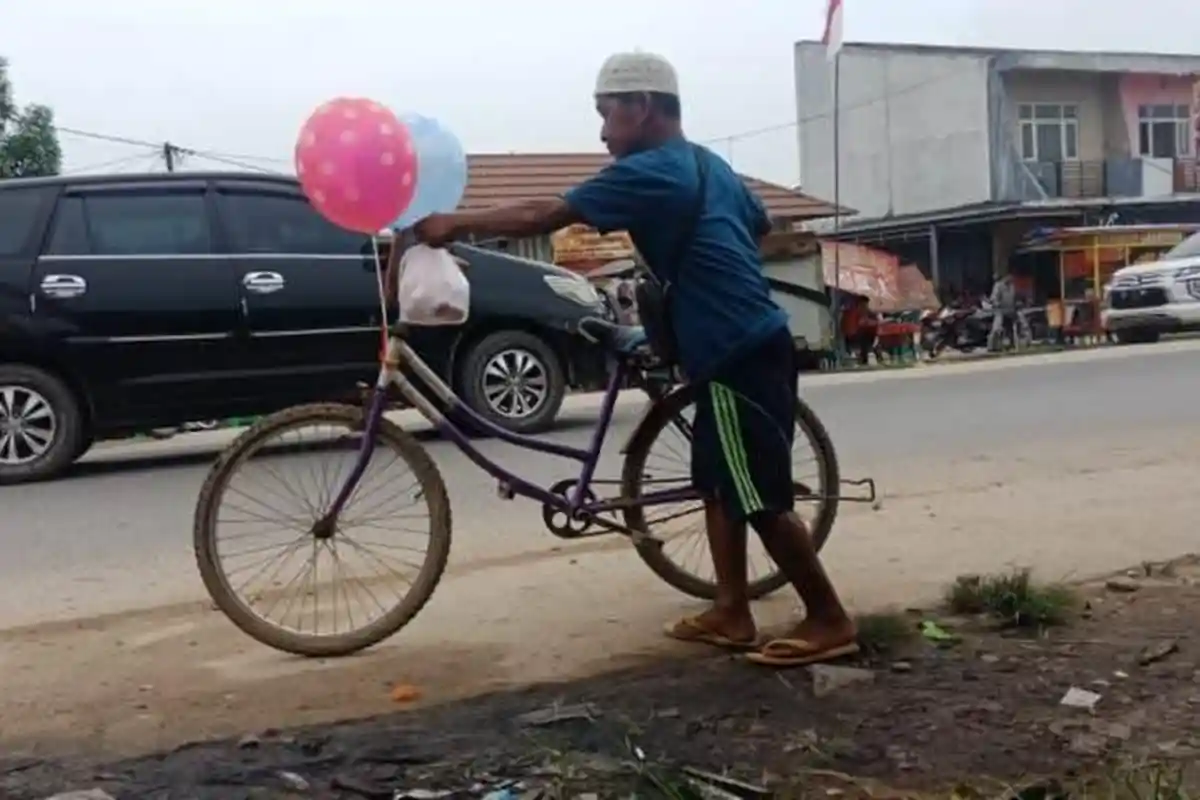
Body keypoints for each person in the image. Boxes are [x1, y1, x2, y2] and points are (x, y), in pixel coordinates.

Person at [411, 51, 857, 667]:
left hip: (735, 349)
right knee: (717, 485)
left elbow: (545, 214)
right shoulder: (708, 165)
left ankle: (829, 619)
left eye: (606, 114)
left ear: (642, 107)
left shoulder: (652, 171)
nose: (601, 131)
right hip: (738, 340)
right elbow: (758, 224)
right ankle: (732, 612)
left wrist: (452, 225)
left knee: (756, 495)